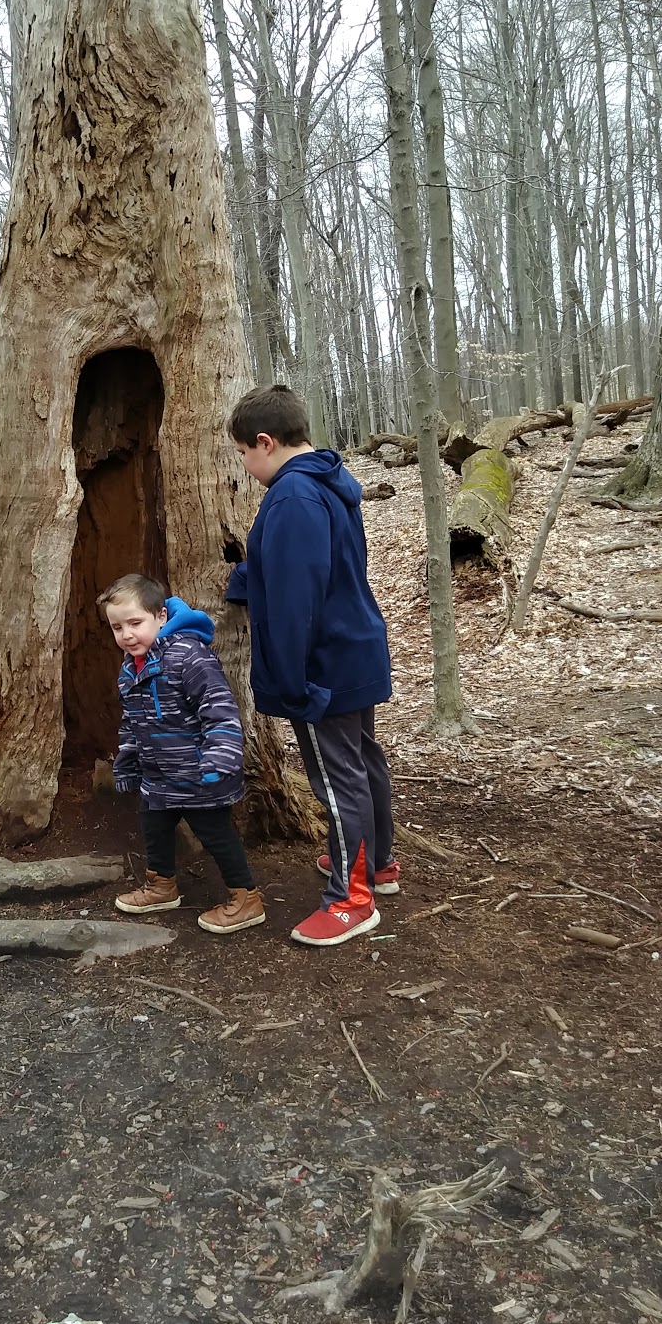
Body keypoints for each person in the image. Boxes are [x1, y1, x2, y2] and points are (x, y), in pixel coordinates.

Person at [226, 384, 398, 947]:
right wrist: (243, 581)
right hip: (352, 647)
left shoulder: (294, 496)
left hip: (319, 663)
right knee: (361, 761)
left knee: (334, 776)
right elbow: (302, 563)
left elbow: (298, 590)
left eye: (244, 454)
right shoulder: (327, 482)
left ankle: (352, 900)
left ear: (265, 443)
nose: (246, 467)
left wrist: (293, 678)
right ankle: (378, 865)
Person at [101, 573, 265, 935]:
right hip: (158, 775)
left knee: (215, 834)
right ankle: (162, 886)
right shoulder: (131, 669)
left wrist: (220, 758)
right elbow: (132, 722)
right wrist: (127, 762)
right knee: (154, 827)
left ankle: (246, 898)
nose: (127, 635)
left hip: (199, 773)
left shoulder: (188, 656)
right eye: (117, 627)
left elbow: (219, 707)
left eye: (135, 623)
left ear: (160, 617)